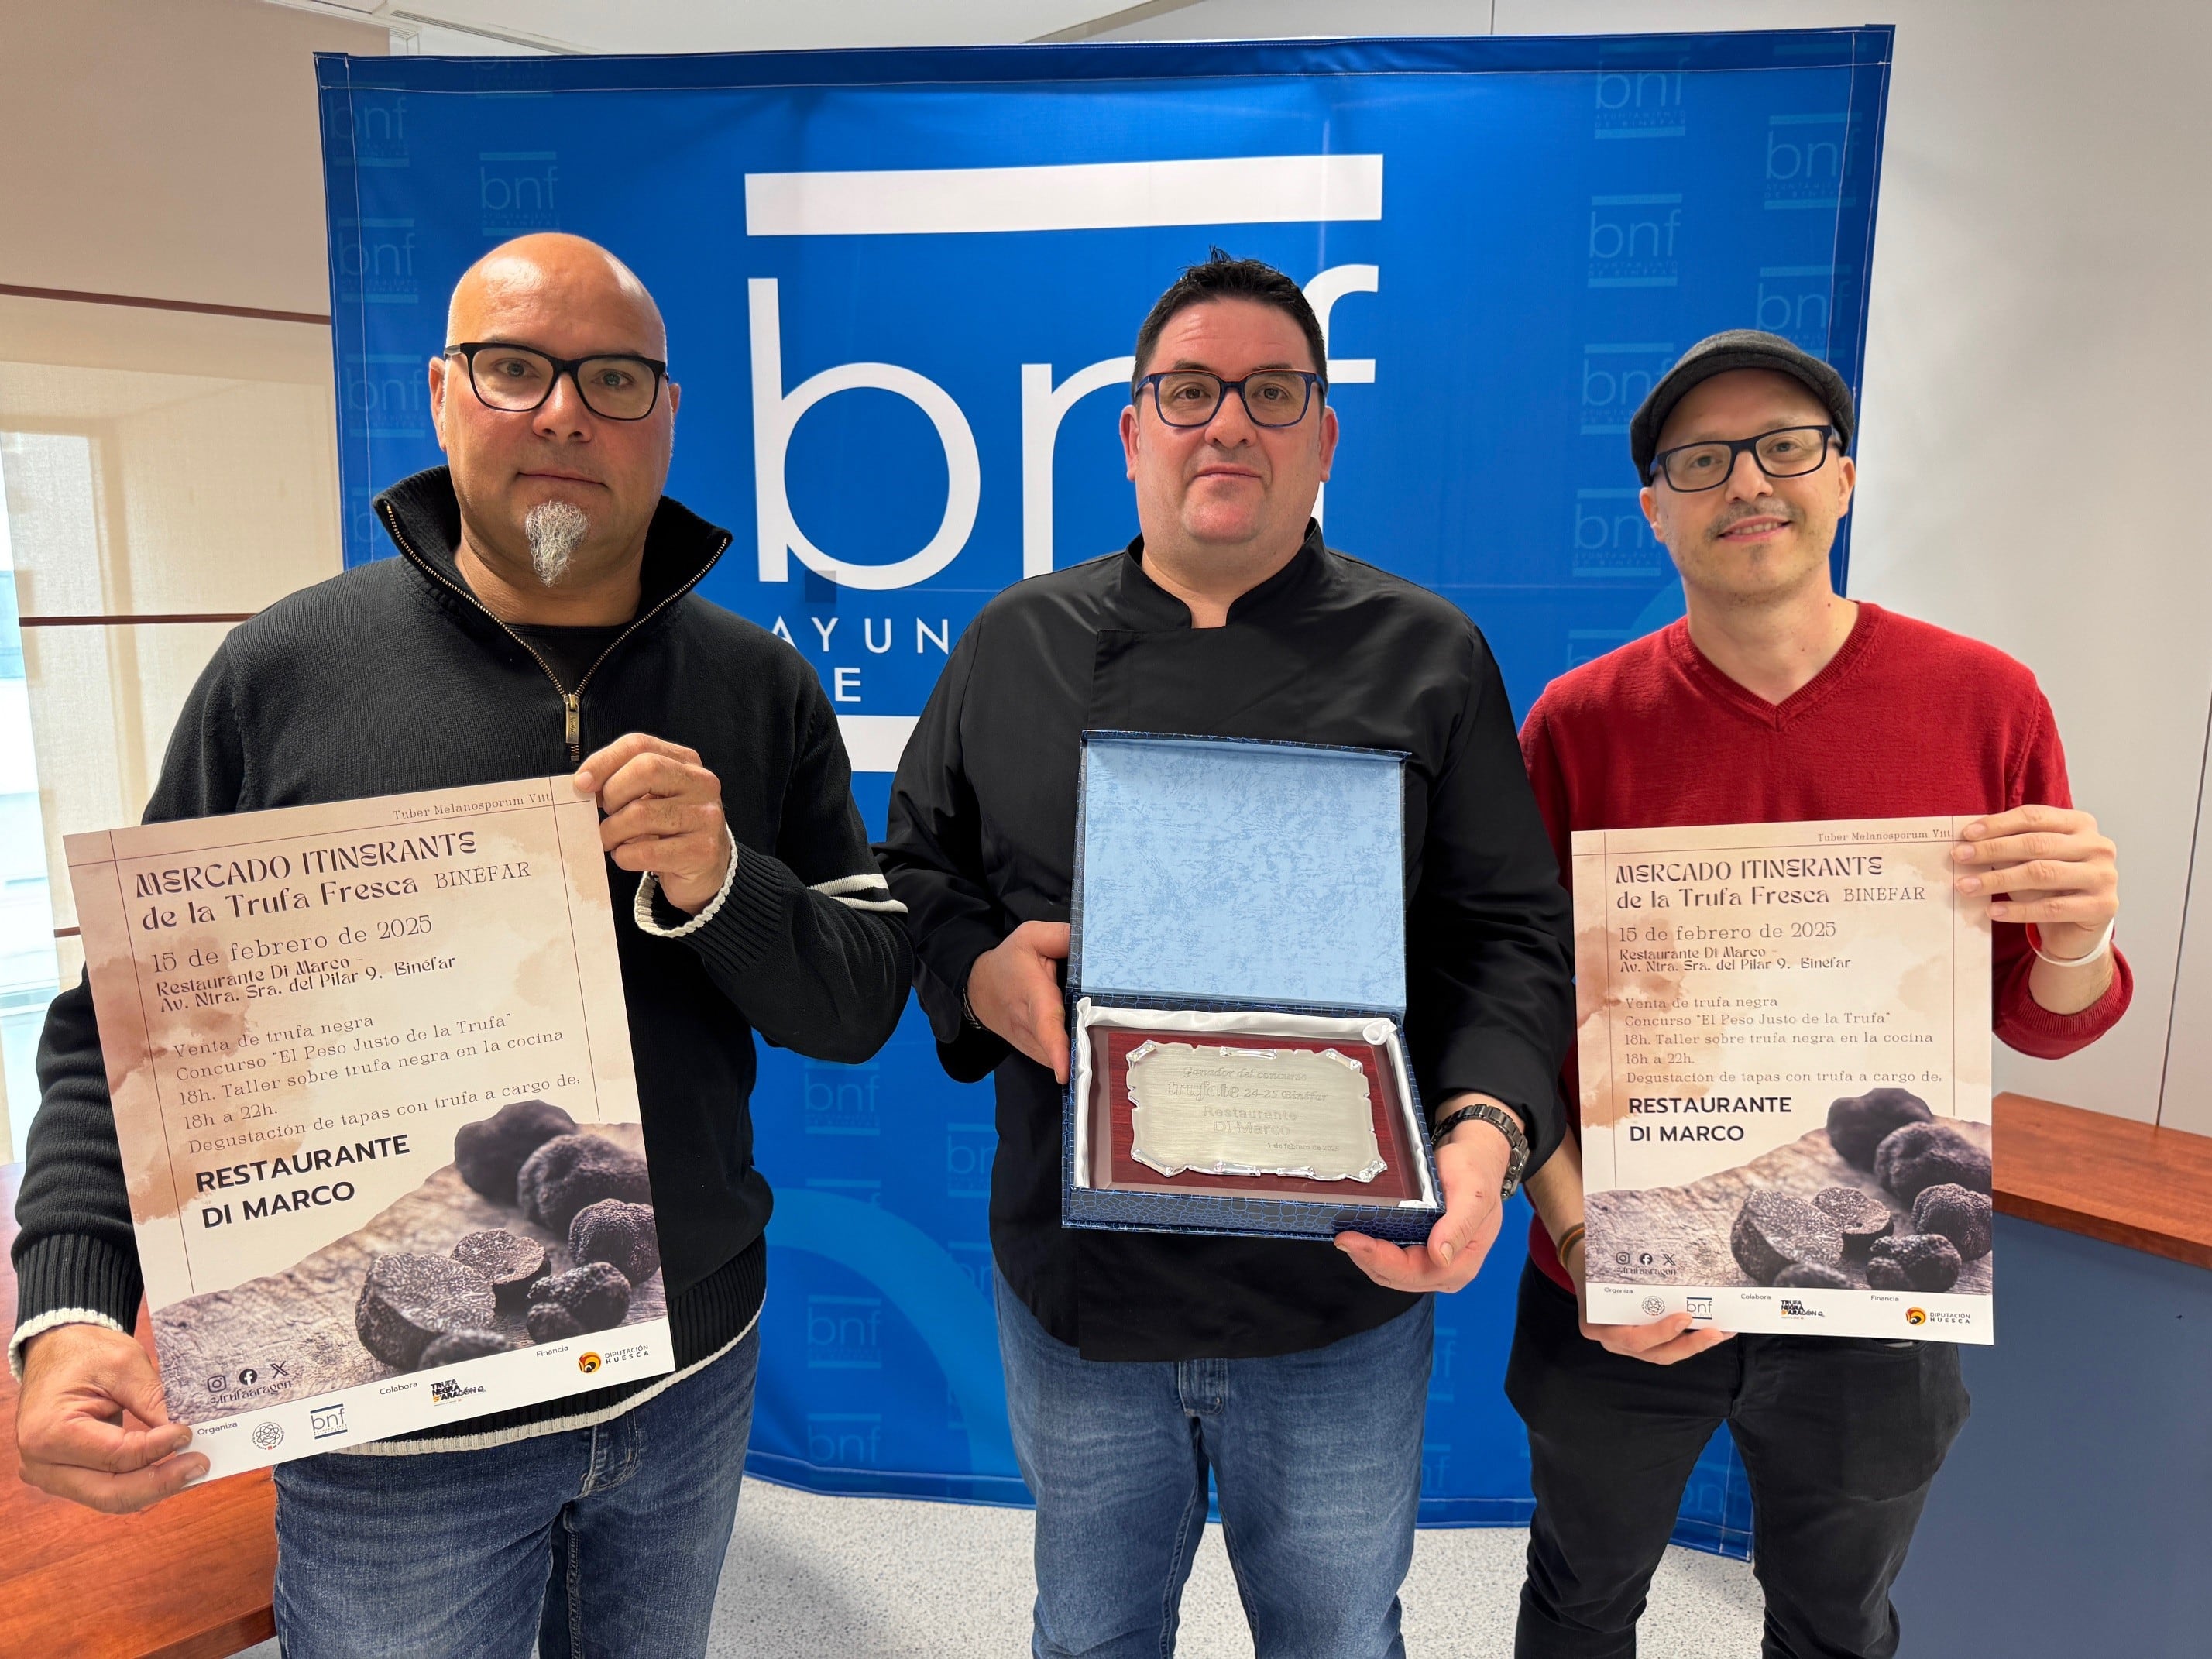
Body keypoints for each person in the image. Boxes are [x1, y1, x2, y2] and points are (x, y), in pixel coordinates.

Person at [9, 232, 913, 1658]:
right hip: (393, 1439)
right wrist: (64, 1306)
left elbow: (862, 999)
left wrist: (725, 878)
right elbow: (119, 1033)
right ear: (442, 395)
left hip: (686, 1381)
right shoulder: (282, 675)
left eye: (613, 379)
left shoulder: (761, 684)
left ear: (667, 416)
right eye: (515, 367)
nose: (564, 412)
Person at [878, 250, 1575, 1659]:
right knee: (1089, 1633)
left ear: (1324, 436)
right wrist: (978, 973)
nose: (1228, 422)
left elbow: (1506, 933)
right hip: (1082, 1288)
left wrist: (1487, 1142)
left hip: (1341, 1281)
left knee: (1333, 1632)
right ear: (1133, 431)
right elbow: (916, 873)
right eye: (1190, 391)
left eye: (1272, 392)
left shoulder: (1430, 654)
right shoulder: (1014, 642)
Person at [1508, 329, 2129, 1659]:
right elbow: (1508, 1006)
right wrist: (1574, 1241)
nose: (1750, 482)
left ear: (1840, 480)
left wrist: (2079, 932)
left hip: (1878, 1302)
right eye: (1703, 459)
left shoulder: (1984, 699)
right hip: (1620, 1281)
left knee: (1837, 1621)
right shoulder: (1576, 724)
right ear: (1654, 509)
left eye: (1786, 446)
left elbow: (2042, 1010)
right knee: (1579, 1598)